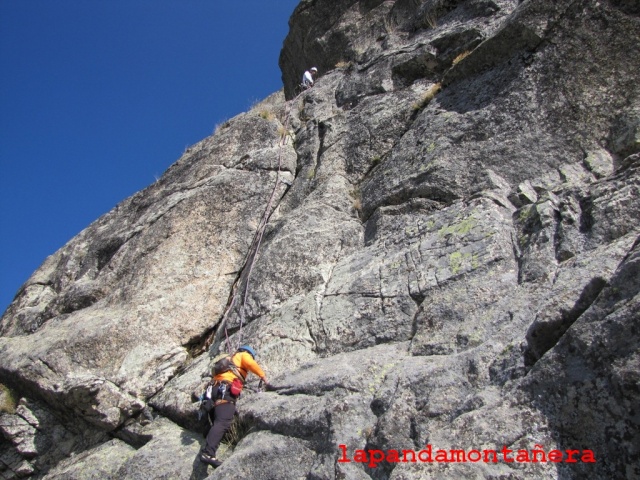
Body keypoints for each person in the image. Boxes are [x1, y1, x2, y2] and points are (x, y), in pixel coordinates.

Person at [200, 345, 268, 467]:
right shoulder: (242, 355)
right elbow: (250, 363)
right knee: (223, 422)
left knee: (217, 422)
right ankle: (208, 453)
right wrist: (263, 376)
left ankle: (208, 447)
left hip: (213, 390)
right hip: (225, 391)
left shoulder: (230, 362)